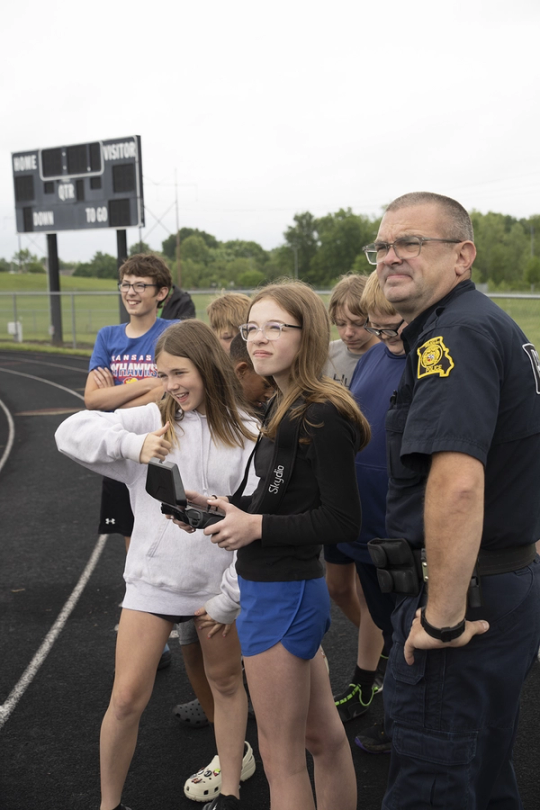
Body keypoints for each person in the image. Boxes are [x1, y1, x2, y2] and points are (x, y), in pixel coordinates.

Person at [362, 191, 540, 808]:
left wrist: (440, 618)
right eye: (382, 246)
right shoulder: (483, 325)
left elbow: (459, 483)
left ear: (462, 256)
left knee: (434, 782)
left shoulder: (455, 337)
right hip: (501, 584)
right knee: (483, 777)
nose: (390, 257)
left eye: (411, 242)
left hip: (463, 602)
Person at [177, 280, 371, 810]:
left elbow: (342, 519)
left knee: (280, 757)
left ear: (306, 335)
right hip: (278, 590)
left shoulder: (319, 413)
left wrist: (255, 528)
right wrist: (223, 509)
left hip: (283, 594)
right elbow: (279, 499)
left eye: (274, 328)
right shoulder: (283, 405)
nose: (258, 340)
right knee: (322, 741)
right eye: (251, 328)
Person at [55, 320, 259, 810]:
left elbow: (253, 522)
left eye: (178, 372)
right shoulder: (152, 420)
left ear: (208, 366)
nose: (170, 385)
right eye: (162, 374)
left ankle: (229, 791)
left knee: (228, 685)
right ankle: (110, 804)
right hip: (152, 584)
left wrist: (229, 594)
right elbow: (68, 431)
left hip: (216, 589)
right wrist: (134, 446)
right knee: (125, 699)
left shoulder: (250, 433)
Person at [85, 252, 176, 670]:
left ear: (161, 293)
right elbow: (92, 400)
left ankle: (182, 623)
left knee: (175, 537)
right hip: (122, 454)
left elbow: (169, 393)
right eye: (125, 284)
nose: (131, 292)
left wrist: (120, 391)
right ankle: (153, 643)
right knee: (134, 545)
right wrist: (148, 383)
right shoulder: (107, 336)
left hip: (163, 448)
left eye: (141, 285)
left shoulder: (172, 331)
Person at [330, 271, 407, 731]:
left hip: (399, 526)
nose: (381, 335)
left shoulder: (423, 360)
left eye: (389, 325)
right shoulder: (373, 359)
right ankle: (393, 706)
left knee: (407, 628)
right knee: (386, 621)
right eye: (377, 328)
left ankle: (405, 723)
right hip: (364, 520)